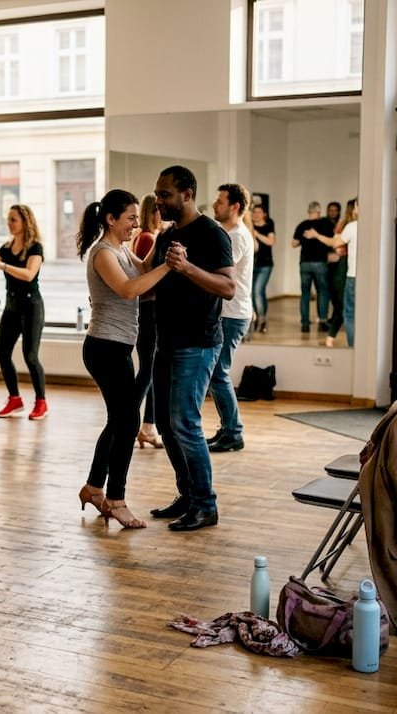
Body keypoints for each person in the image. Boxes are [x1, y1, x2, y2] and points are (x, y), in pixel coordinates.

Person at [145, 166, 235, 532]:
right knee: (166, 424)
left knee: (185, 422)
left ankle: (205, 505)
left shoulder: (212, 234)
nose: (159, 201)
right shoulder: (166, 236)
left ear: (187, 193)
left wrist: (187, 268)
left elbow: (227, 287)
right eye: (158, 193)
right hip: (165, 341)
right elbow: (149, 281)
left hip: (197, 342)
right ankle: (188, 495)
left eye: (165, 194)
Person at [76, 189, 171, 529]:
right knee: (129, 421)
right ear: (111, 219)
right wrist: (167, 267)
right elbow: (130, 290)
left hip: (117, 346)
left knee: (119, 421)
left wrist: (162, 245)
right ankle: (115, 498)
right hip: (104, 347)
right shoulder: (102, 253)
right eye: (130, 217)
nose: (135, 223)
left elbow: (144, 270)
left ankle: (92, 486)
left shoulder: (122, 250)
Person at [0, 204, 48, 420]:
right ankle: (15, 399)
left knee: (30, 356)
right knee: (2, 353)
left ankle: (41, 402)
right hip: (12, 307)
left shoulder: (35, 248)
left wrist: (1, 265)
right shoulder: (7, 247)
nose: (10, 223)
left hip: (31, 306)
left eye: (13, 219)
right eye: (8, 219)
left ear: (25, 221)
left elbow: (28, 275)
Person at [208, 184, 254, 453]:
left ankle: (233, 432)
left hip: (232, 314)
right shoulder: (231, 233)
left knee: (218, 373)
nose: (215, 204)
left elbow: (216, 271)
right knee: (217, 373)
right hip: (230, 313)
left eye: (220, 200)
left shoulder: (236, 236)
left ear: (234, 206)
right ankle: (228, 429)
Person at [133, 193, 164, 448]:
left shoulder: (146, 237)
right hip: (148, 310)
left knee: (152, 370)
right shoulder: (146, 238)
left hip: (149, 310)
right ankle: (129, 421)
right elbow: (148, 279)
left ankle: (148, 427)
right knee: (147, 370)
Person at [292, 201, 335, 333]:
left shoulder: (302, 225)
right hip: (320, 263)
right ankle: (322, 321)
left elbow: (294, 243)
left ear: (308, 212)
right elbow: (332, 241)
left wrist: (304, 239)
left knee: (305, 293)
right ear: (319, 212)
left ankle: (305, 324)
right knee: (322, 292)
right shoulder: (326, 223)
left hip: (304, 263)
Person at [324, 197, 356, 347]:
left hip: (347, 268)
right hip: (344, 267)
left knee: (345, 308)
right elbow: (336, 245)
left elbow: (336, 244)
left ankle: (332, 339)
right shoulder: (346, 225)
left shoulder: (350, 226)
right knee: (344, 307)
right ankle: (331, 338)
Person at [331, 198, 358, 348]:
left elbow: (336, 244)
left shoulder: (352, 226)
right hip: (368, 277)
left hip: (352, 274)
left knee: (349, 313)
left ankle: (353, 346)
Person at [249, 203, 276, 334]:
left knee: (258, 291)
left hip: (266, 265)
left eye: (259, 212)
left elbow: (271, 242)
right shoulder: (249, 225)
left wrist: (256, 234)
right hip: (252, 264)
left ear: (264, 214)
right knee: (254, 293)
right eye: (254, 212)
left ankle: (262, 320)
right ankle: (254, 318)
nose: (256, 214)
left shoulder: (269, 225)